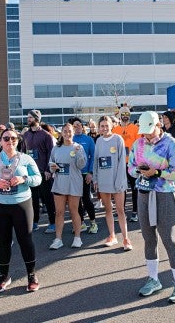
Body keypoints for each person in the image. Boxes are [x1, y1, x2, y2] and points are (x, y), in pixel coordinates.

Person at [128, 111, 175, 303]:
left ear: (158, 125)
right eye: (143, 131)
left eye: (149, 130)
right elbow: (130, 167)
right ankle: (154, 279)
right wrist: (139, 170)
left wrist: (158, 172)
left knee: (169, 240)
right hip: (144, 194)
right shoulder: (138, 144)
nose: (146, 134)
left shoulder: (172, 144)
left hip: (165, 194)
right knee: (148, 238)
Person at [0, 128, 42, 293]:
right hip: (0, 206)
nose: (10, 141)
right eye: (6, 138)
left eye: (13, 138)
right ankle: (4, 276)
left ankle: (31, 275)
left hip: (22, 205)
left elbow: (38, 179)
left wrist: (24, 178)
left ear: (18, 140)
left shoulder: (26, 159)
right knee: (3, 242)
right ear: (0, 141)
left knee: (25, 241)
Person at [92, 116, 132, 250]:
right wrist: (95, 179)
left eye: (106, 125)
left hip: (117, 181)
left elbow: (122, 162)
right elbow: (96, 161)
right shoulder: (98, 141)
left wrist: (119, 180)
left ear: (111, 125)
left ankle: (126, 238)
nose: (104, 128)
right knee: (108, 209)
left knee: (120, 210)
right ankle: (112, 235)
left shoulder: (118, 139)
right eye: (101, 126)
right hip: (103, 181)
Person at [48, 123, 87, 249]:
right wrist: (53, 168)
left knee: (74, 211)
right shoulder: (56, 148)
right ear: (61, 133)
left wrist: (78, 154)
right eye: (65, 131)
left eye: (69, 131)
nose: (67, 133)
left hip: (74, 183)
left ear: (73, 132)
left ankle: (77, 238)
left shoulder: (78, 147)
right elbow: (51, 164)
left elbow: (81, 165)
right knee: (59, 212)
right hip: (60, 184)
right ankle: (58, 239)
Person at [23, 109, 55, 233]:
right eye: (28, 117)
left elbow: (51, 154)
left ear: (37, 119)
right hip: (30, 173)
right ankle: (34, 222)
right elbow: (23, 153)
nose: (28, 120)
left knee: (48, 199)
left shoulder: (46, 135)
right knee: (32, 200)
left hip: (43, 173)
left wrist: (48, 170)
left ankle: (52, 223)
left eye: (30, 118)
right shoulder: (26, 135)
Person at [111, 106, 140, 222]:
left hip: (132, 163)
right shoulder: (115, 130)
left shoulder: (135, 129)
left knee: (134, 188)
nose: (125, 116)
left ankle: (135, 212)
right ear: (119, 115)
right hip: (119, 164)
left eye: (127, 114)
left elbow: (139, 146)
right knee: (120, 189)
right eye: (123, 114)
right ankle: (121, 212)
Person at [68, 118, 97, 234]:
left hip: (85, 174)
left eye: (79, 125)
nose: (77, 127)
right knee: (76, 200)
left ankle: (93, 223)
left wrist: (90, 172)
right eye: (75, 126)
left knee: (86, 198)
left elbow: (93, 156)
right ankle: (81, 223)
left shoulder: (88, 139)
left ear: (82, 126)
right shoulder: (70, 140)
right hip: (73, 174)